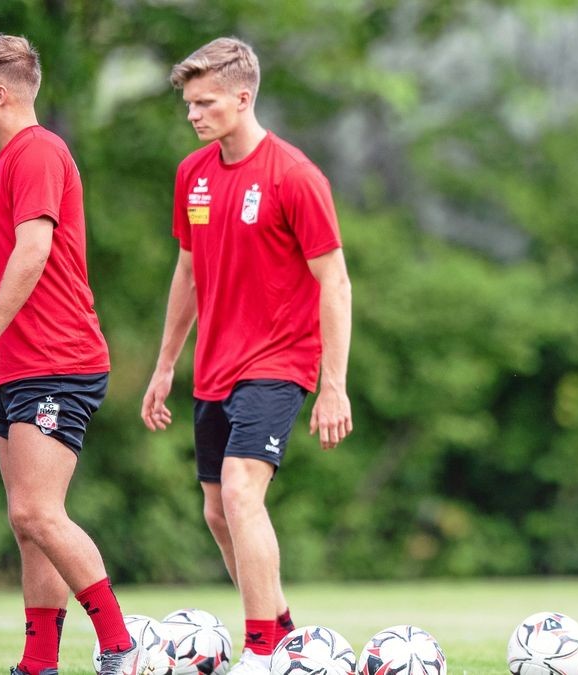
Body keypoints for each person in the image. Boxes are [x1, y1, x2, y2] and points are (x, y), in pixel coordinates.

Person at [140, 36, 353, 675]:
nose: (193, 115)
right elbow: (186, 273)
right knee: (216, 509)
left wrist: (332, 384)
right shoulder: (193, 174)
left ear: (242, 96)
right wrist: (164, 364)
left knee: (239, 491)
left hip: (279, 363)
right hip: (213, 368)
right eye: (188, 103)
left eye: (205, 103)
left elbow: (334, 282)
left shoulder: (295, 175)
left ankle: (261, 650)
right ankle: (284, 628)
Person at [0, 34, 144, 675]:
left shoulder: (37, 152)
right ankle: (38, 664)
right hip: (23, 365)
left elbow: (32, 253)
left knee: (38, 511)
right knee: (25, 521)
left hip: (58, 360)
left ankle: (121, 647)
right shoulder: (6, 163)